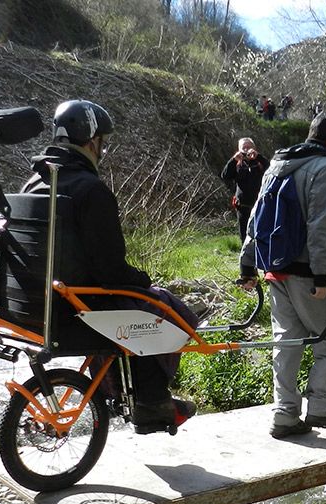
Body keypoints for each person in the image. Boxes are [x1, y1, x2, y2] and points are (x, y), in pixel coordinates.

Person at [25, 99, 196, 433]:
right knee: (155, 307)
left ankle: (117, 393)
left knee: (134, 302)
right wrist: (142, 280)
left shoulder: (35, 184)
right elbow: (110, 270)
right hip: (76, 306)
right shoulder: (91, 190)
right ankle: (151, 402)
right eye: (102, 142)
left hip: (39, 303)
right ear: (92, 141)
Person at [239, 110, 326, 439]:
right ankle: (320, 408)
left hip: (275, 270)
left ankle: (284, 415)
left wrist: (247, 264)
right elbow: (322, 225)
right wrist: (321, 276)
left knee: (286, 343)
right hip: (310, 274)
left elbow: (256, 215)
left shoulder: (278, 163)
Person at [220, 137, 269, 242]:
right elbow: (225, 176)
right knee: (244, 236)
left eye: (249, 147)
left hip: (260, 205)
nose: (246, 150)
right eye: (244, 148)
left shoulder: (259, 162)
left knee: (261, 234)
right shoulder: (237, 163)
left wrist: (258, 157)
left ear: (254, 148)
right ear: (239, 149)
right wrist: (234, 160)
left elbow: (271, 169)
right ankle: (245, 256)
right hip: (243, 206)